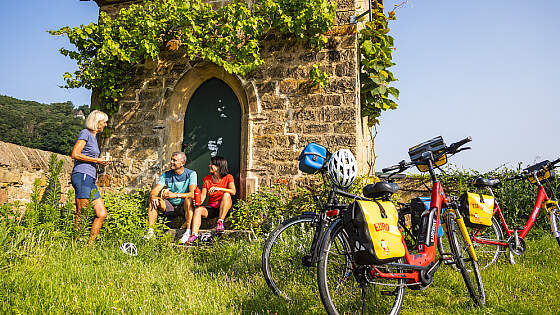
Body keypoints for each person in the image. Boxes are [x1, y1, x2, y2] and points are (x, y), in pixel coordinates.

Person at [70, 109, 110, 245]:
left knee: (102, 213)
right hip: (82, 175)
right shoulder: (85, 133)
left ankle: (89, 245)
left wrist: (100, 162)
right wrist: (97, 160)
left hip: (90, 177)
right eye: (104, 122)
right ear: (97, 122)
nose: (105, 125)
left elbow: (90, 158)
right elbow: (75, 154)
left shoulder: (94, 137)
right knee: (82, 212)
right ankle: (76, 244)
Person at [146, 152, 197, 243]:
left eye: (174, 160)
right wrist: (153, 196)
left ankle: (188, 232)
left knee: (189, 199)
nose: (171, 162)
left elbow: (192, 194)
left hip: (183, 206)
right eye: (171, 159)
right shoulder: (166, 175)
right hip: (170, 206)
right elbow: (155, 190)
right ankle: (150, 232)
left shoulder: (191, 174)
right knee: (153, 200)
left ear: (182, 163)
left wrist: (175, 195)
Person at [186, 156, 236, 243]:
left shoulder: (228, 177)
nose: (209, 166)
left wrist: (219, 188)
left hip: (225, 208)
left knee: (227, 195)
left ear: (219, 166)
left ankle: (220, 222)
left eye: (212, 164)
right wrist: (198, 201)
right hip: (212, 208)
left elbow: (233, 191)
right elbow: (203, 196)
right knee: (198, 209)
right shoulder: (207, 178)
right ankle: (194, 235)